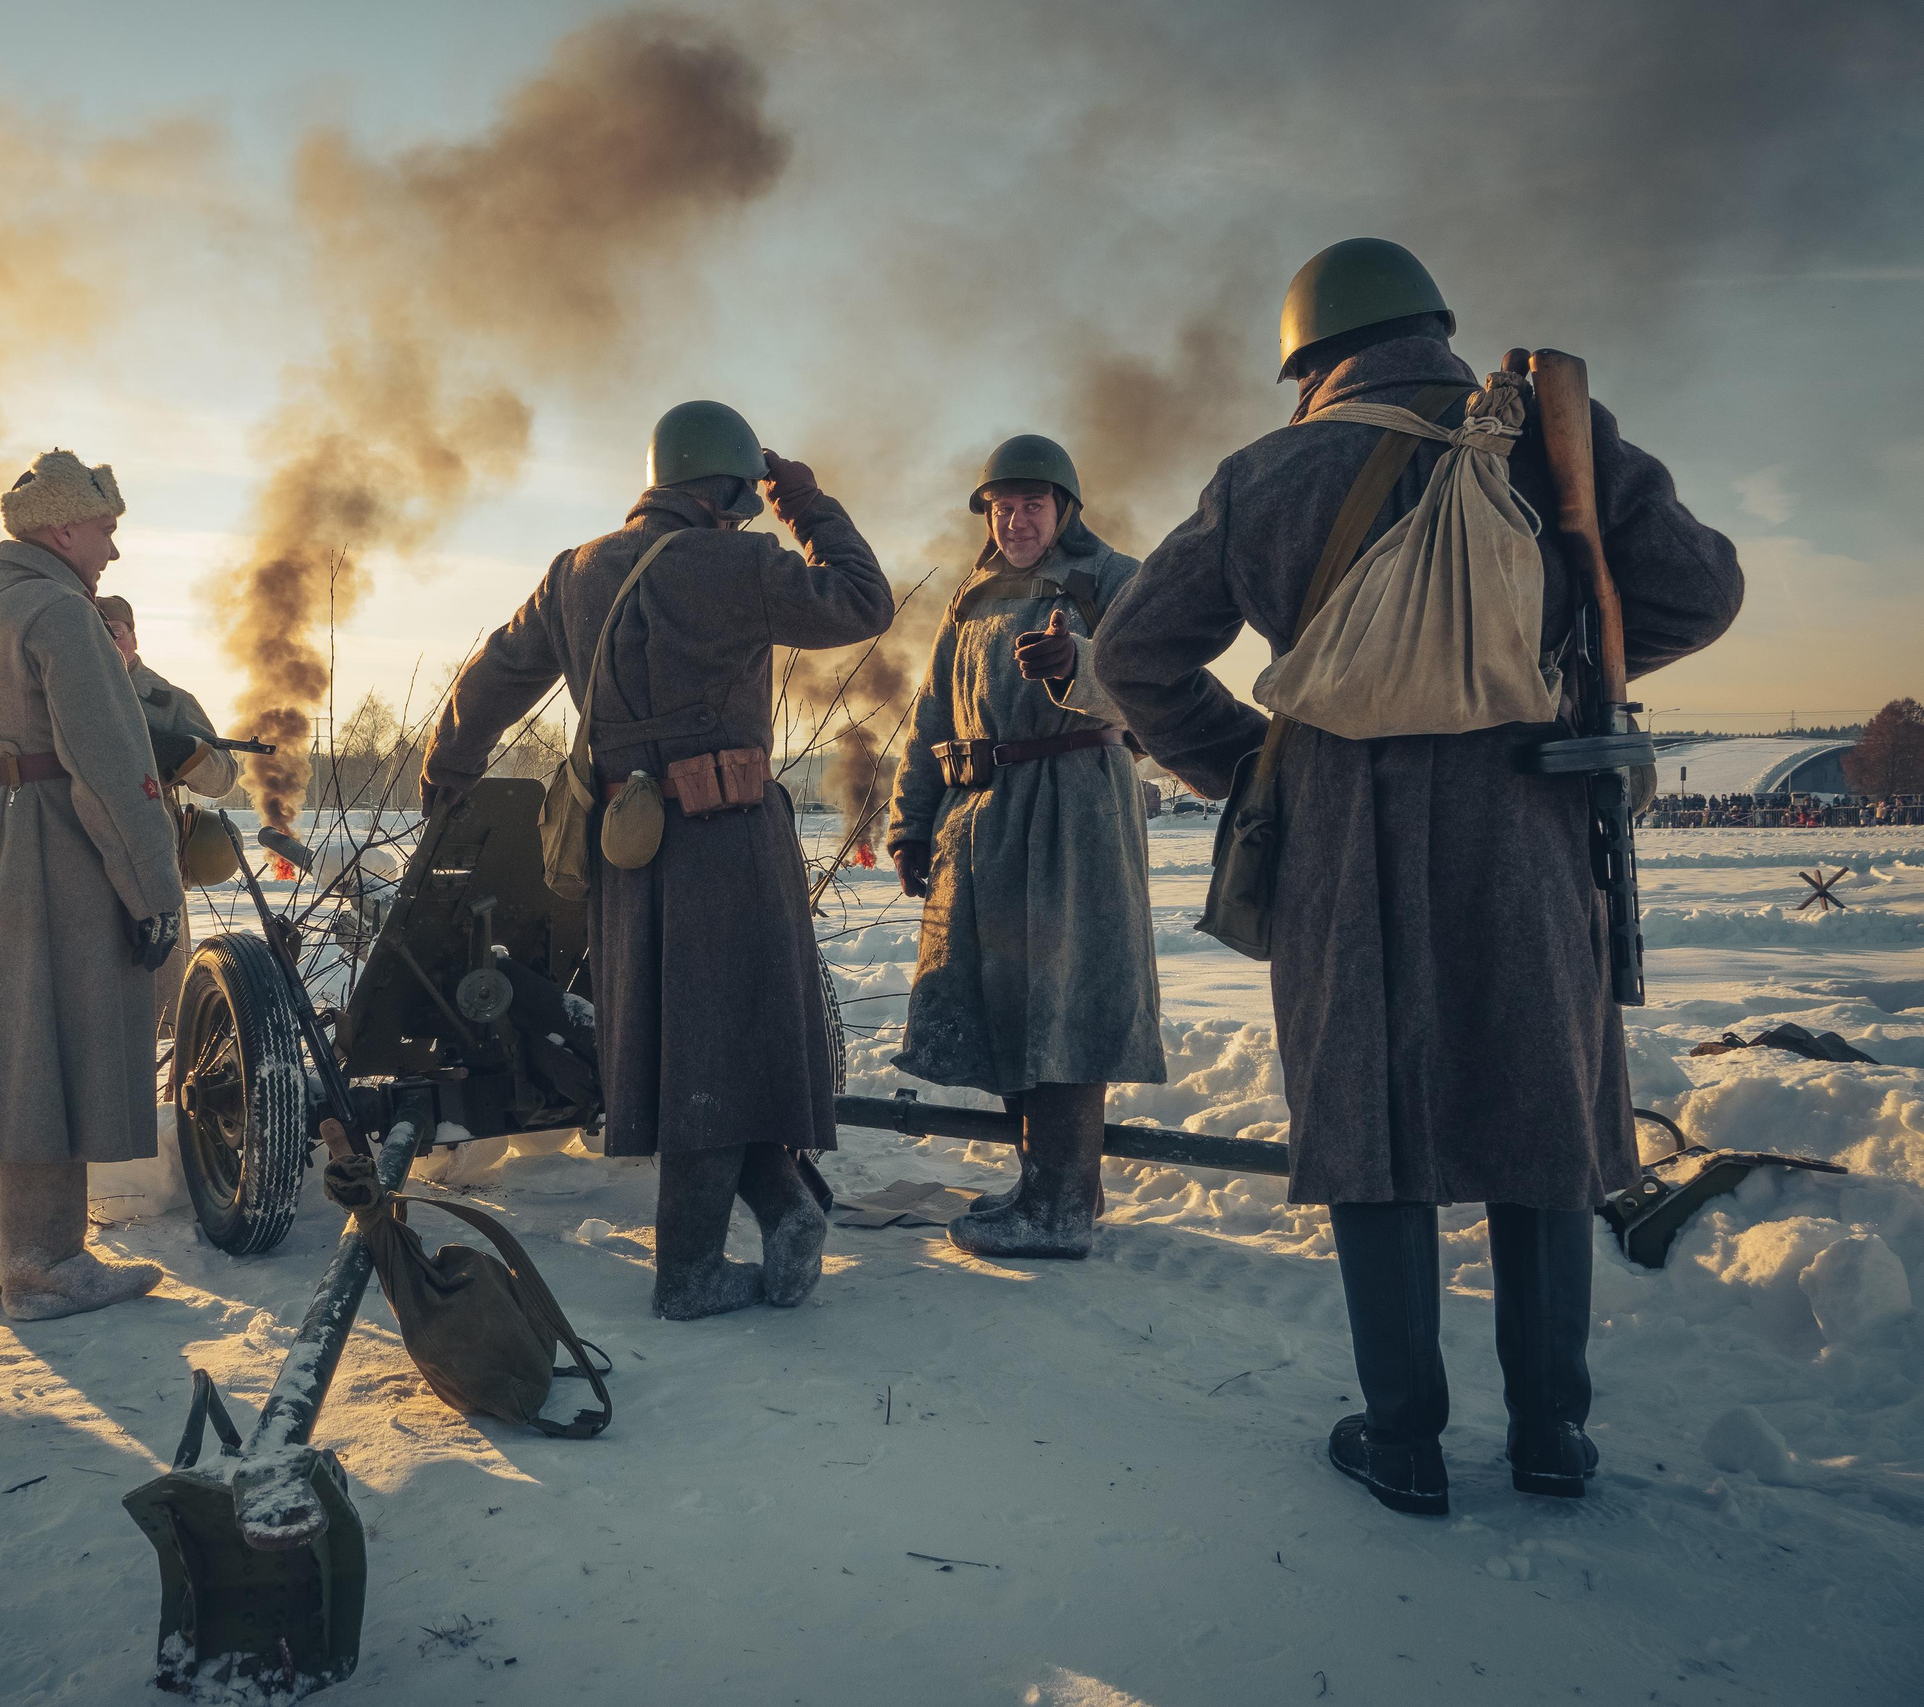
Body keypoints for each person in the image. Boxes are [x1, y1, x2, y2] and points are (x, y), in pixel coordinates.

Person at [1089, 239, 1743, 1514]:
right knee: (1542, 1122)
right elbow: (1699, 591)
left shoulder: (1267, 471)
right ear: (1434, 329)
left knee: (1371, 1130)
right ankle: (1552, 1437)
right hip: (1533, 822)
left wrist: (1250, 765)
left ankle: (1404, 1446)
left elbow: (1130, 657)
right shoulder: (1552, 430)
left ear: (1308, 358)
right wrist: (1561, 667)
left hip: (1345, 833)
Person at [422, 401, 893, 1319]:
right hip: (730, 840)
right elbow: (863, 600)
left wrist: (450, 767)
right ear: (726, 489)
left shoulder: (574, 572)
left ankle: (786, 1209)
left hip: (628, 850)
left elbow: (492, 676)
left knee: (691, 1042)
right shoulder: (739, 563)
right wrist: (807, 505)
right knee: (725, 1039)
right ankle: (689, 1270)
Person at [0, 449, 186, 1322]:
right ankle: (48, 1263)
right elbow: (111, 766)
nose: (113, 551)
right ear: (63, 527)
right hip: (57, 848)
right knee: (51, 1048)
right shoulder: (63, 615)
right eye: (105, 530)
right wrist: (153, 893)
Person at [885, 436, 1165, 1259]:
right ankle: (1051, 1182)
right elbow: (934, 712)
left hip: (1075, 813)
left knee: (1063, 998)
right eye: (1002, 507)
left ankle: (1063, 1204)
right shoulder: (970, 598)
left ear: (1064, 508)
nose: (1015, 520)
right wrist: (909, 821)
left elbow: (1164, 681)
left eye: (1031, 505)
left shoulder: (1110, 579)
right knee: (1006, 1000)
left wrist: (1079, 666)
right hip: (983, 821)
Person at [95, 592, 237, 1037]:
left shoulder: (168, 701)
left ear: (133, 636)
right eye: (94, 633)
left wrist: (184, 753)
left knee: (160, 1001)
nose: (106, 641)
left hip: (152, 856)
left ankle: (169, 1093)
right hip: (82, 853)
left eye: (113, 632)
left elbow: (224, 776)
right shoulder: (63, 692)